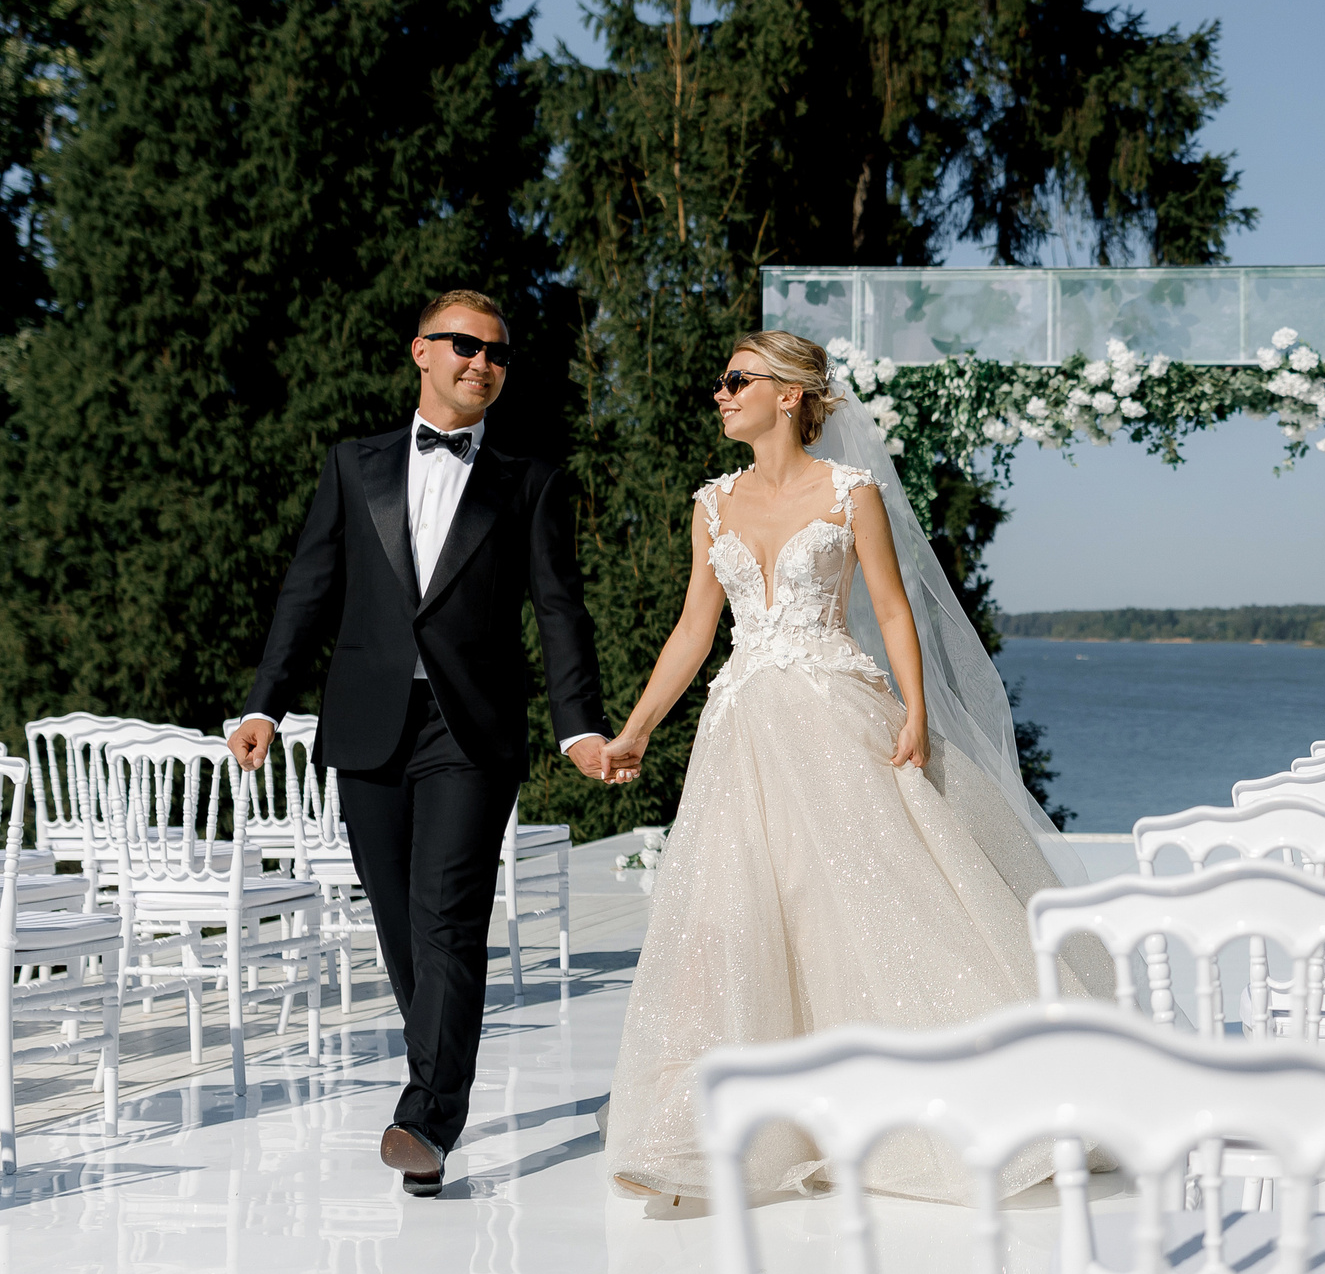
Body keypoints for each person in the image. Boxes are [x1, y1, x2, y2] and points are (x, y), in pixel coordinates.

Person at [598, 329, 1103, 1205]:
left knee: (876, 902)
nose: (720, 393)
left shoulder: (850, 491)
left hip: (835, 717)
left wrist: (915, 709)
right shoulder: (713, 503)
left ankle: (962, 1106)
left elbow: (893, 610)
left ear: (789, 393)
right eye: (722, 381)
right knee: (734, 916)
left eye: (737, 379)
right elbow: (694, 629)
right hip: (741, 733)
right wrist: (636, 728)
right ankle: (714, 1132)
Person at [229, 289, 615, 1198]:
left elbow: (559, 610)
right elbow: (308, 589)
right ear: (421, 351)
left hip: (469, 729)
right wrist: (264, 705)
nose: (483, 363)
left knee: (447, 916)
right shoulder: (352, 464)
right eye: (466, 345)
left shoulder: (529, 479)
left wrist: (579, 723)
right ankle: (435, 1088)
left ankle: (428, 1117)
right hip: (366, 723)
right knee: (401, 920)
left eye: (498, 354)